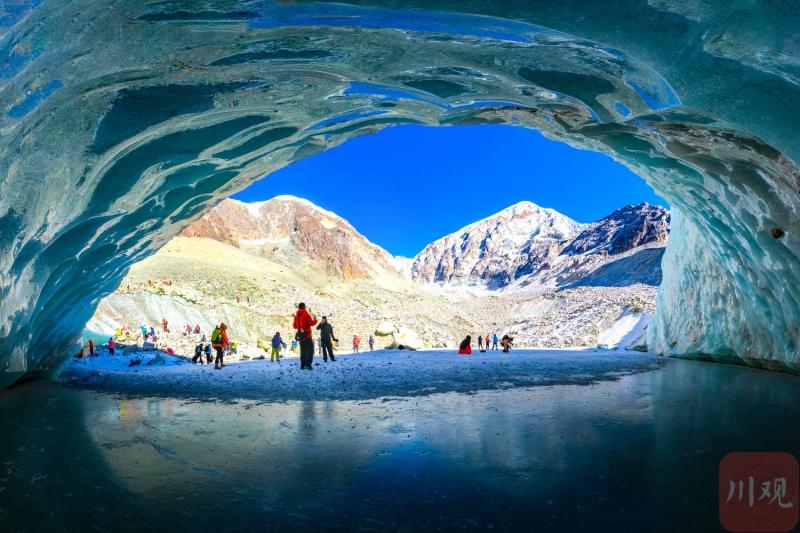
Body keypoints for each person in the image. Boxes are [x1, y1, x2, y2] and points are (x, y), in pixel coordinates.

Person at [293, 303, 318, 370]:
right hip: (307, 336)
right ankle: (308, 365)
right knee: (310, 351)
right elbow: (311, 323)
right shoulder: (306, 314)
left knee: (303, 351)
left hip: (300, 337)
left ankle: (302, 365)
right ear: (304, 307)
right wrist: (315, 320)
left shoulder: (296, 316)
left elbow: (294, 326)